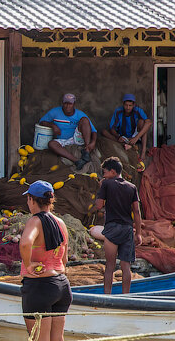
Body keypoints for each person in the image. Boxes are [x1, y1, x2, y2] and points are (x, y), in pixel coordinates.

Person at [19, 180, 71, 341]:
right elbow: (65, 258)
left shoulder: (34, 221)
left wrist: (28, 264)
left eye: (28, 199)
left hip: (40, 286)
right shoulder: (61, 223)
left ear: (32, 200)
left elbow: (25, 243)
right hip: (61, 285)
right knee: (57, 340)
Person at [95, 157, 143, 295]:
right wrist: (138, 233)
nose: (103, 175)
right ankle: (126, 297)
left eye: (104, 172)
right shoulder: (132, 187)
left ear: (112, 171)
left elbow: (99, 205)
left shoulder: (107, 184)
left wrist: (101, 189)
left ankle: (107, 297)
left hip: (112, 228)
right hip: (127, 229)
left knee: (109, 266)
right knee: (126, 267)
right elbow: (137, 211)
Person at [39, 93, 98, 170]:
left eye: (70, 104)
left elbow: (94, 131)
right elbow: (41, 122)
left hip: (76, 138)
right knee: (51, 144)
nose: (67, 106)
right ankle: (77, 161)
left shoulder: (79, 114)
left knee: (85, 120)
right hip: (62, 140)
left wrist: (93, 143)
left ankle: (86, 150)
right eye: (65, 103)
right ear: (62, 103)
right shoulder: (55, 111)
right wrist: (53, 125)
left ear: (74, 104)